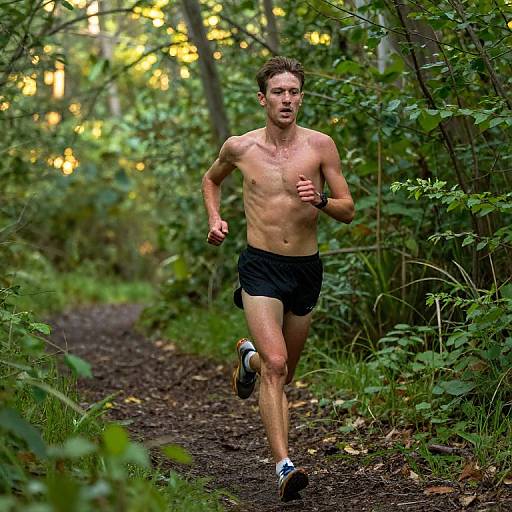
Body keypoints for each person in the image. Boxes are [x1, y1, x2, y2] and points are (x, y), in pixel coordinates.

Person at [201, 56, 355, 502]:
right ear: (262, 98)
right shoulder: (240, 148)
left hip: (306, 269)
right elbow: (212, 181)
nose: (287, 100)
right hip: (260, 266)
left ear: (300, 98)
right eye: (279, 92)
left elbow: (349, 210)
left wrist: (322, 201)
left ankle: (246, 359)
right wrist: (215, 218)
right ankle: (283, 465)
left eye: (294, 92)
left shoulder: (321, 146)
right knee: (277, 364)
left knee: (283, 373)